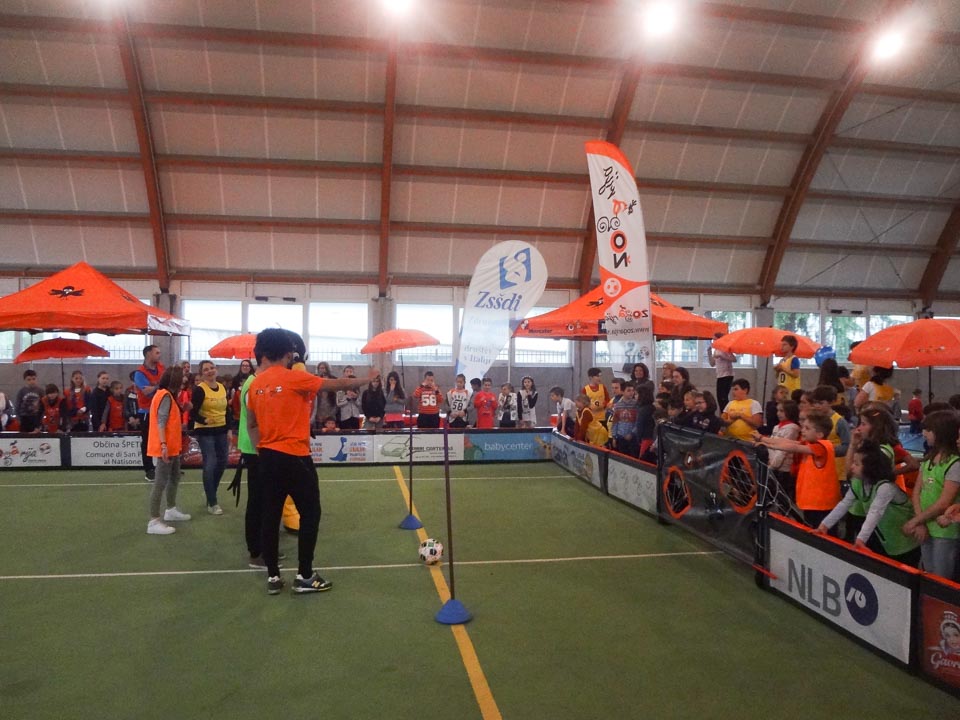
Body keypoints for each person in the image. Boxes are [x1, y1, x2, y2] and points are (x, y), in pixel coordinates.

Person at [246, 328, 378, 594]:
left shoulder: (254, 385)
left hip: (267, 457)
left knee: (270, 516)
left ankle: (273, 577)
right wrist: (369, 378)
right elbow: (337, 384)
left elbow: (251, 425)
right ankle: (305, 575)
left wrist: (263, 451)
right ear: (288, 354)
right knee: (310, 513)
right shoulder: (295, 377)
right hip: (295, 457)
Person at [816, 440, 919, 565]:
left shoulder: (886, 487)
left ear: (870, 468)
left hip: (906, 542)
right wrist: (824, 526)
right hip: (888, 541)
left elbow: (875, 512)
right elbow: (844, 504)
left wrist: (860, 540)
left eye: (856, 464)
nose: (851, 467)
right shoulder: (858, 483)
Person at [902, 410, 960, 581]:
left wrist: (915, 521)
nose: (923, 433)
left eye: (928, 430)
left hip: (944, 532)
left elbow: (943, 503)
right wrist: (920, 522)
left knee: (941, 579)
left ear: (941, 433)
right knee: (927, 574)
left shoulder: (955, 465)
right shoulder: (928, 461)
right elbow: (917, 492)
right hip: (925, 526)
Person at [758, 411, 840, 529]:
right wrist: (763, 439)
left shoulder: (821, 446)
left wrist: (768, 445)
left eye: (807, 428)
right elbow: (787, 442)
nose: (802, 430)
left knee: (822, 532)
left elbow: (794, 447)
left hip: (821, 504)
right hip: (813, 501)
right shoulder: (810, 444)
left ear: (819, 434)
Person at [146, 365, 191, 535]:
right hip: (165, 448)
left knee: (174, 478)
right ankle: (153, 521)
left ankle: (170, 509)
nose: (184, 380)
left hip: (172, 447)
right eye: (182, 377)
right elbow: (161, 422)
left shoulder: (168, 396)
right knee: (160, 483)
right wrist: (163, 445)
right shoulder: (165, 396)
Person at [191, 359, 229, 515]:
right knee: (210, 463)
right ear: (201, 374)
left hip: (221, 430)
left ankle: (210, 492)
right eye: (206, 369)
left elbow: (227, 410)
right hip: (205, 431)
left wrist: (229, 429)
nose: (210, 371)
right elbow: (192, 413)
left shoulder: (222, 387)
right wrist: (204, 420)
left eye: (212, 368)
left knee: (223, 462)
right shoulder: (199, 390)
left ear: (216, 370)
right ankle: (212, 502)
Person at [134, 345, 165, 482]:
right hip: (147, 411)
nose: (159, 355)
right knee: (147, 441)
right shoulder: (139, 373)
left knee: (164, 439)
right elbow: (146, 392)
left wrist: (154, 388)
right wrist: (159, 386)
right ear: (148, 354)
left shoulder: (161, 368)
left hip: (162, 408)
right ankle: (149, 470)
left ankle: (166, 467)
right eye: (157, 353)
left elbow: (166, 385)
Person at [764, 399, 800, 500]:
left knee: (782, 496)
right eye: (778, 410)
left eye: (782, 411)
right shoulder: (776, 427)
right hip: (772, 464)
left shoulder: (792, 428)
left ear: (790, 411)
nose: (778, 413)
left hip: (784, 468)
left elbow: (783, 449)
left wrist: (774, 464)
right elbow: (771, 444)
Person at [609, 381, 640, 458]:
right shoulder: (617, 405)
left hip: (633, 438)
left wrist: (632, 433)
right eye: (628, 390)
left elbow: (638, 422)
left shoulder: (636, 404)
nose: (631, 393)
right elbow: (615, 422)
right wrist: (614, 437)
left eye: (632, 390)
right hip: (621, 437)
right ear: (622, 391)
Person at [706, 332, 736, 408]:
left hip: (727, 375)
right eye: (713, 340)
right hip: (720, 375)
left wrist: (722, 356)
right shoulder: (716, 350)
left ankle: (726, 411)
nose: (713, 341)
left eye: (715, 339)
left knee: (723, 397)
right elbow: (712, 364)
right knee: (720, 397)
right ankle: (723, 411)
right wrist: (709, 353)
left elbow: (734, 359)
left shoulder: (725, 349)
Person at [228, 359, 254, 430]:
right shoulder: (235, 379)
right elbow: (232, 391)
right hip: (238, 405)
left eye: (247, 366)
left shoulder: (253, 378)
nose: (245, 367)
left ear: (250, 367)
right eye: (243, 365)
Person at [313, 362, 338, 432]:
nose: (322, 370)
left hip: (330, 405)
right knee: (319, 429)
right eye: (320, 368)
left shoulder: (333, 379)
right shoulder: (315, 378)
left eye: (323, 368)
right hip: (319, 407)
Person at [336, 365, 362, 430]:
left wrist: (355, 398)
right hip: (345, 417)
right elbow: (339, 404)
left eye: (350, 372)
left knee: (355, 434)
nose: (349, 373)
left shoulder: (357, 388)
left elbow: (359, 403)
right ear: (344, 373)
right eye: (347, 371)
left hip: (355, 416)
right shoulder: (340, 388)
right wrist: (348, 398)